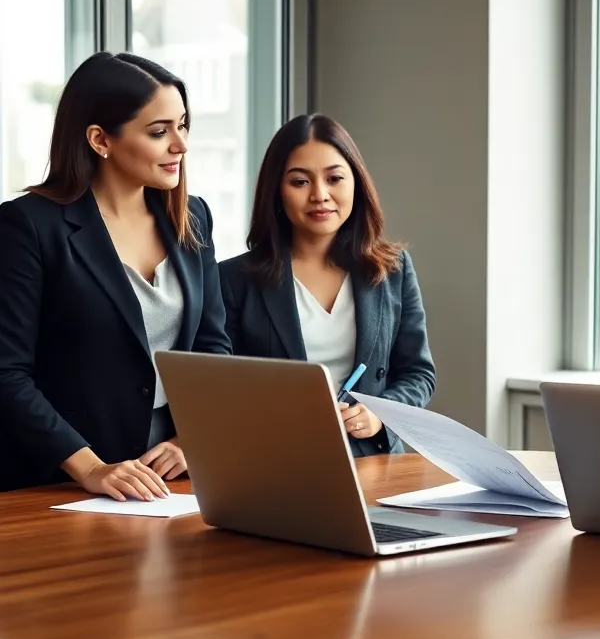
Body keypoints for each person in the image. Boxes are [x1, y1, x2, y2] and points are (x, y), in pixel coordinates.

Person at [0, 52, 231, 499]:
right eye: (159, 132)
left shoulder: (192, 217)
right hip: (58, 483)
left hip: (170, 485)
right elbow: (7, 373)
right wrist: (90, 468)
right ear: (100, 139)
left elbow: (212, 347)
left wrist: (190, 441)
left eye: (183, 125)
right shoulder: (28, 226)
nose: (180, 145)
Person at [220, 113, 434, 457]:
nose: (320, 195)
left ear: (356, 184)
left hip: (374, 462)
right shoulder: (233, 281)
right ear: (277, 192)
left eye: (334, 178)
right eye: (300, 182)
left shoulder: (392, 270)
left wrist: (381, 412)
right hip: (274, 462)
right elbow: (219, 390)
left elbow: (418, 373)